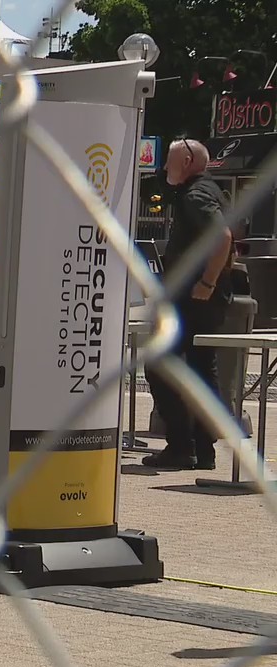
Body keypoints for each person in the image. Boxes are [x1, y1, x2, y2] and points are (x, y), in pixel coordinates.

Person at [142, 138, 234, 470]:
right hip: (199, 299)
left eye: (170, 160)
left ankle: (182, 445)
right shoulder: (210, 190)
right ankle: (201, 449)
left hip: (193, 300)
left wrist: (206, 283)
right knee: (198, 367)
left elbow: (222, 237)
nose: (165, 167)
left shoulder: (196, 195)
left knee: (159, 364)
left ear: (188, 160)